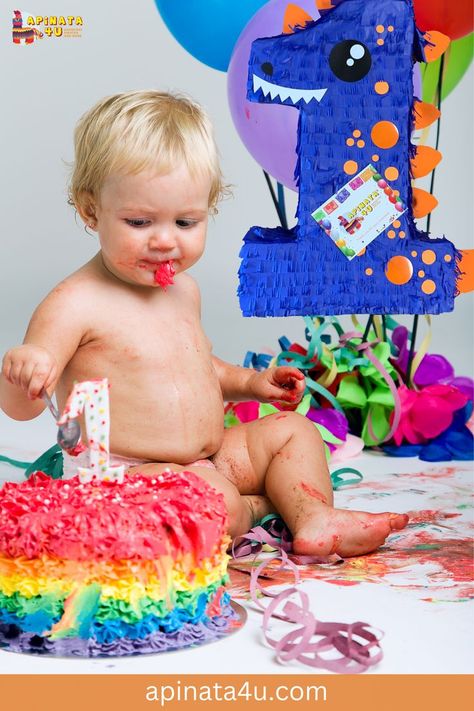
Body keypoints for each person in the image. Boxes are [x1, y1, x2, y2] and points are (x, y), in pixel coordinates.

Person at [0, 90, 408, 556]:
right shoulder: (74, 303)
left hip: (209, 458)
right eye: (138, 221)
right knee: (206, 502)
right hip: (127, 474)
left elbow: (194, 365)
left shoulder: (182, 289)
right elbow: (24, 407)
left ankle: (314, 516)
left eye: (186, 222)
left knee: (294, 432)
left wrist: (251, 383)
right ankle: (258, 509)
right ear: (91, 210)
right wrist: (23, 372)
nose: (164, 241)